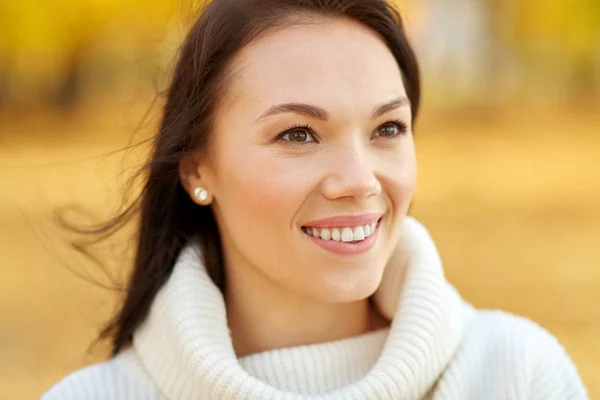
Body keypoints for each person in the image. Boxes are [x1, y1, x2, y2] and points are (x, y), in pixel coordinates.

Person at [42, 0, 588, 398]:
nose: (360, 180)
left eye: (388, 128)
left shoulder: (515, 375)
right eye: (298, 134)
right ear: (196, 169)